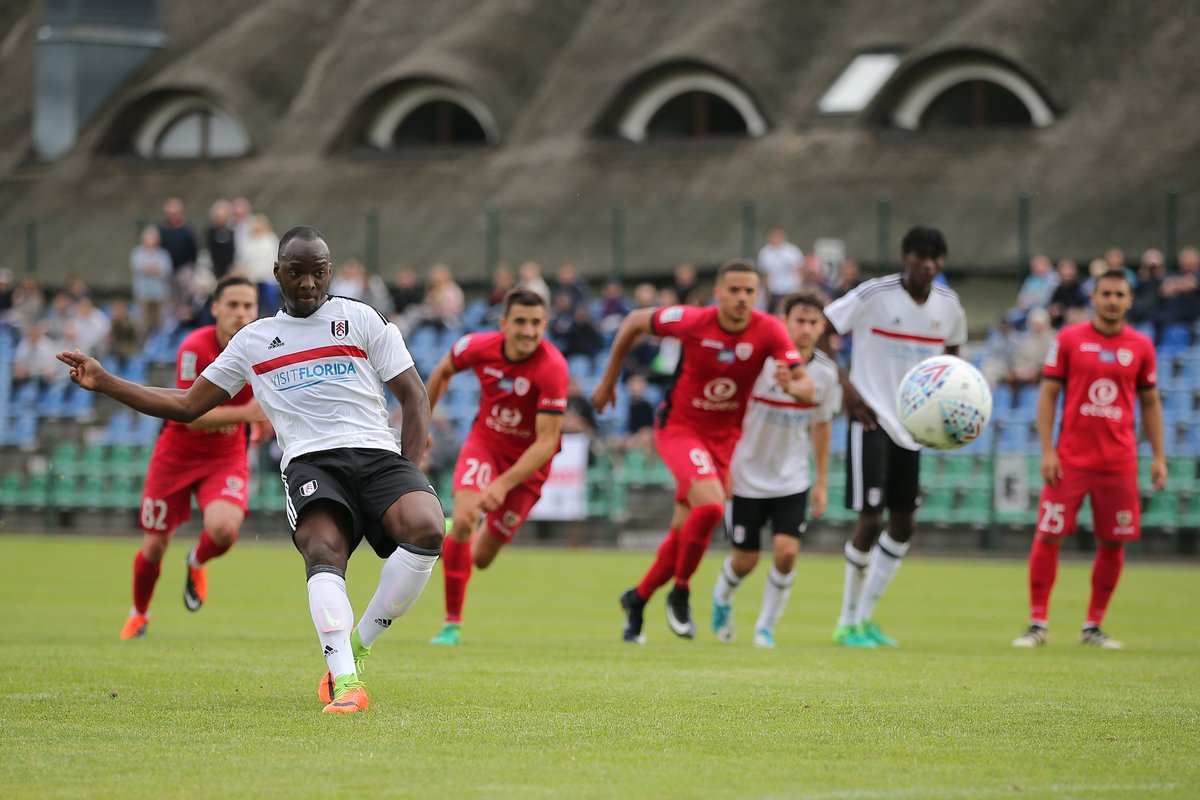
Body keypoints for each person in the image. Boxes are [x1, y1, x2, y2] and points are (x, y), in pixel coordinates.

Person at [58, 226, 445, 715]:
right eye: (298, 272)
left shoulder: (361, 318)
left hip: (377, 455)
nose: (309, 283)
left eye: (319, 272)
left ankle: (359, 646)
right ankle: (347, 684)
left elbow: (414, 395)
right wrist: (107, 381)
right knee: (323, 551)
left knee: (429, 527)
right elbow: (187, 405)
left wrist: (409, 472)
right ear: (277, 271)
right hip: (311, 463)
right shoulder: (253, 341)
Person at [593, 259, 814, 644]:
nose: (743, 298)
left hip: (724, 442)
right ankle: (681, 592)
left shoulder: (770, 330)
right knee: (711, 508)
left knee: (682, 533)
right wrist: (610, 380)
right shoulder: (693, 321)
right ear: (718, 293)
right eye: (735, 290)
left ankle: (637, 600)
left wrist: (792, 387)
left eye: (750, 291)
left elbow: (808, 388)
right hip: (679, 430)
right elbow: (632, 323)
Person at [822, 226, 967, 649]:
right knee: (871, 519)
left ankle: (864, 619)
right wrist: (846, 391)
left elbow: (953, 362)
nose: (929, 265)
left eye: (937, 258)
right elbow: (821, 330)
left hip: (914, 426)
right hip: (870, 418)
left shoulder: (949, 305)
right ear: (905, 257)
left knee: (903, 525)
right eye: (922, 256)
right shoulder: (874, 294)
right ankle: (846, 622)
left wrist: (946, 412)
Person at [1012, 270, 1166, 650]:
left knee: (1113, 544)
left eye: (1120, 294)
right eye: (1106, 294)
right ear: (1093, 298)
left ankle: (1093, 626)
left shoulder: (1142, 346)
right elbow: (1048, 395)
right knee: (1047, 535)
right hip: (1071, 460)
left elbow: (1149, 402)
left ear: (1130, 300)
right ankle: (1037, 622)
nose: (1113, 300)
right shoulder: (1068, 339)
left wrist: (1159, 456)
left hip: (1119, 462)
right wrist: (1048, 450)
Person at [112, 277, 265, 639]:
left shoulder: (264, 348)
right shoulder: (195, 346)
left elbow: (267, 404)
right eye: (233, 305)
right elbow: (189, 415)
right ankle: (139, 613)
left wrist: (265, 423)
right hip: (177, 454)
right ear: (215, 308)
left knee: (225, 530)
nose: (241, 313)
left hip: (226, 454)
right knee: (153, 546)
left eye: (248, 306)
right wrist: (247, 416)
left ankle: (196, 559)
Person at [424, 289, 569, 645]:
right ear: (504, 323)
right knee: (463, 522)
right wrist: (422, 423)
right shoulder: (476, 346)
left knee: (483, 557)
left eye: (536, 323)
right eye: (520, 321)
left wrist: (503, 484)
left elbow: (547, 442)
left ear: (545, 325)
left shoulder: (553, 368)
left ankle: (461, 533)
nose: (529, 331)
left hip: (529, 468)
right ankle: (451, 624)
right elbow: (443, 371)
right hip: (484, 446)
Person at [711, 293, 841, 648]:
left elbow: (822, 426)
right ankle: (722, 596)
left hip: (791, 477)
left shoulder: (826, 374)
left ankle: (765, 627)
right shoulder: (758, 364)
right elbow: (727, 413)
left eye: (814, 322)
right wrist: (724, 466)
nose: (806, 328)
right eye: (799, 320)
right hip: (745, 476)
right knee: (746, 559)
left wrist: (822, 482)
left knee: (786, 553)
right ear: (783, 321)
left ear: (822, 327)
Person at [757, 228, 804, 311]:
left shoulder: (792, 251)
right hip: (774, 290)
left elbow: (799, 269)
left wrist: (798, 287)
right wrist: (766, 290)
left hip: (790, 289)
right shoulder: (765, 252)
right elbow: (765, 273)